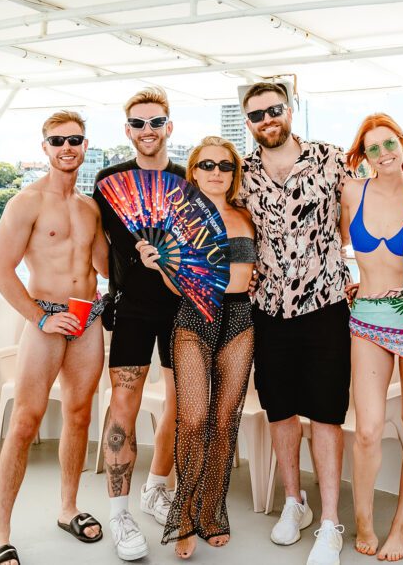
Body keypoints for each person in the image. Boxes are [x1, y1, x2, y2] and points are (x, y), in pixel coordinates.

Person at [0, 111, 108, 565]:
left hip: (88, 318)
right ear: (45, 147)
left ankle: (68, 508)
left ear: (84, 144)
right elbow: (1, 273)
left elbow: (102, 268)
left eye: (74, 139)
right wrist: (40, 318)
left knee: (79, 416)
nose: (66, 147)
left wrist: (146, 259)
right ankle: (0, 535)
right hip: (46, 318)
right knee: (24, 422)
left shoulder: (89, 207)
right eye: (57, 140)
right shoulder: (27, 202)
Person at [240, 82, 352, 565]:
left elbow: (353, 221)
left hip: (325, 304)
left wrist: (360, 273)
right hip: (267, 309)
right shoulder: (241, 173)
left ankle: (331, 522)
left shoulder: (330, 158)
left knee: (325, 413)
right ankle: (294, 502)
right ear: (248, 122)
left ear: (290, 110)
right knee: (280, 410)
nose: (267, 119)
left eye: (274, 109)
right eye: (257, 114)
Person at [137, 135, 256, 560]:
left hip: (240, 319)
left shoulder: (246, 214)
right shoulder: (177, 220)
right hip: (193, 319)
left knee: (225, 420)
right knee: (192, 419)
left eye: (224, 166)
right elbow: (175, 285)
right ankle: (184, 517)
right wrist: (160, 265)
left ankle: (212, 510)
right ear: (193, 172)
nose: (216, 173)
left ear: (233, 172)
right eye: (207, 165)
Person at [93, 86, 185, 561]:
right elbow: (93, 242)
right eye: (137, 123)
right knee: (123, 407)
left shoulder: (189, 179)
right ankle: (118, 513)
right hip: (130, 308)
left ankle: (156, 487)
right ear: (127, 130)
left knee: (179, 404)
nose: (146, 131)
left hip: (178, 308)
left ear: (169, 127)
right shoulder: (108, 180)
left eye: (155, 122)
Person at [340, 113, 403, 562]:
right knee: (368, 431)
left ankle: (400, 527)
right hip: (367, 320)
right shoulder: (352, 191)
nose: (384, 153)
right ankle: (362, 521)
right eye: (372, 147)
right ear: (363, 155)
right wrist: (345, 281)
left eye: (389, 142)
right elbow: (327, 245)